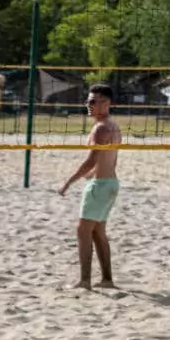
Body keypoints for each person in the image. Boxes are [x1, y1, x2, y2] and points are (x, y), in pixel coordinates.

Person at [58, 84, 121, 290]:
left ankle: (85, 281)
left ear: (106, 103)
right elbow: (109, 159)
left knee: (83, 231)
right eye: (88, 100)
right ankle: (107, 279)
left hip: (101, 185)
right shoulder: (114, 125)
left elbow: (91, 161)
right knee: (98, 232)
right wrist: (92, 174)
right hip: (110, 183)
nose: (89, 105)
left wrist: (69, 181)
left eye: (93, 101)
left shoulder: (101, 128)